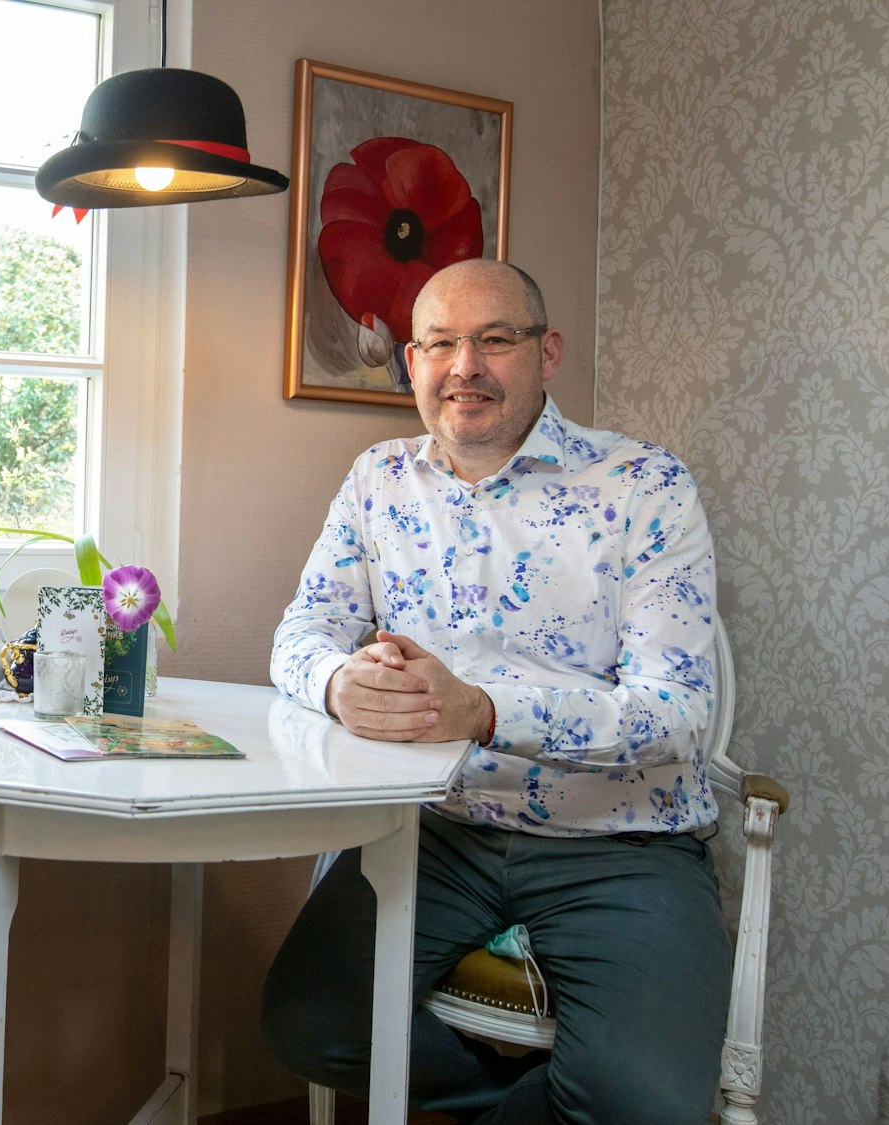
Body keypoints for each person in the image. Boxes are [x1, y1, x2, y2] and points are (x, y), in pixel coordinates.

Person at [260, 259, 729, 1124]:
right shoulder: (379, 480)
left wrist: (483, 711)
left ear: (546, 352)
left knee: (649, 1105)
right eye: (439, 343)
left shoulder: (644, 485)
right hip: (435, 828)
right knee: (307, 1024)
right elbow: (301, 633)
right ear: (412, 360)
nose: (463, 365)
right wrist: (335, 685)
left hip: (618, 839)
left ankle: (588, 1094)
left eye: (494, 340)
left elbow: (678, 716)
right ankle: (548, 1096)